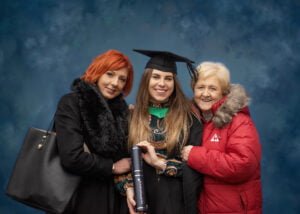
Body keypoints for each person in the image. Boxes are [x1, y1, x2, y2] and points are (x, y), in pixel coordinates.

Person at [116, 49, 203, 214]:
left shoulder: (190, 120)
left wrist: (160, 163)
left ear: (174, 83)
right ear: (146, 80)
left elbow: (198, 169)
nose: (162, 83)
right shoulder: (130, 117)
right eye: (156, 77)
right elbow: (120, 160)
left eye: (168, 78)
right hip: (138, 203)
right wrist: (128, 189)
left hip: (175, 204)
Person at [54, 49, 134, 214]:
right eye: (110, 74)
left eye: (122, 79)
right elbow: (71, 157)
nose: (115, 83)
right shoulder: (72, 103)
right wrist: (112, 167)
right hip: (78, 196)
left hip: (111, 198)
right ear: (97, 72)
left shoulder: (122, 112)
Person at [181, 62, 262, 213]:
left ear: (223, 92)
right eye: (200, 87)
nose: (205, 94)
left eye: (212, 88)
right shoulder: (196, 121)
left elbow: (242, 165)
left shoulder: (239, 122)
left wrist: (194, 155)